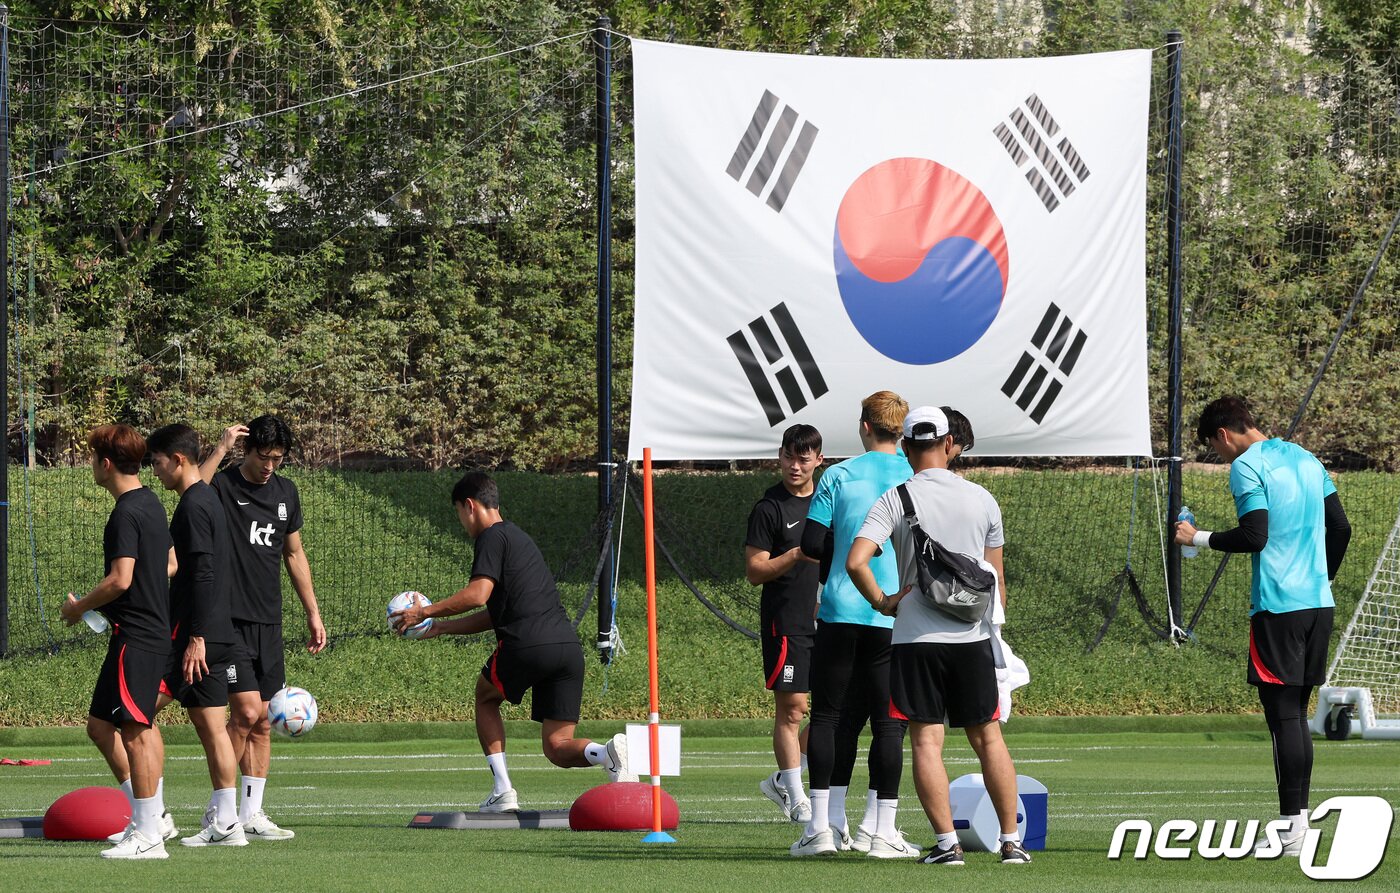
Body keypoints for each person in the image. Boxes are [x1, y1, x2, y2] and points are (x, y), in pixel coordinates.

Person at [848, 405, 1031, 866]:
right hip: (972, 636)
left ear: (906, 448)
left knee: (927, 742)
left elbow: (856, 561)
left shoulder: (895, 499)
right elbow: (996, 579)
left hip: (915, 637)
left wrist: (883, 601)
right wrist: (996, 636)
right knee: (989, 738)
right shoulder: (983, 499)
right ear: (950, 445)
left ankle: (948, 845)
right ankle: (1010, 842)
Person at [1174, 396, 1350, 856]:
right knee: (1297, 716)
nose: (1222, 456)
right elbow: (1341, 529)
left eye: (1216, 448)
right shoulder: (1307, 458)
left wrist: (1199, 538)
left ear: (1223, 435)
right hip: (1318, 605)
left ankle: (1292, 832)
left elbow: (1255, 535)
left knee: (1285, 718)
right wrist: (1319, 578)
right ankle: (1299, 824)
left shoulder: (1246, 465)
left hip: (1279, 607)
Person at [393, 471, 631, 811]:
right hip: (567, 650)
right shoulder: (519, 538)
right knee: (557, 746)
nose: (462, 522)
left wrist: (424, 611)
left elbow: (478, 595)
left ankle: (503, 791)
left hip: (528, 645)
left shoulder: (490, 538)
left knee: (485, 697)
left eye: (459, 513)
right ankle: (606, 753)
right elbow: (495, 612)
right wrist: (440, 628)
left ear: (469, 506)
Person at [793, 391, 917, 859]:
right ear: (900, 431)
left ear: (864, 426)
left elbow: (810, 543)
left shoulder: (838, 475)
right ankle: (880, 830)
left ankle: (821, 829)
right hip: (897, 616)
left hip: (841, 609)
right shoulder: (915, 476)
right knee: (890, 725)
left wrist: (843, 552)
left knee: (828, 716)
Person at [199, 415, 327, 839]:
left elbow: (294, 555)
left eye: (278, 458)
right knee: (246, 711)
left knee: (265, 720)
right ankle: (219, 811)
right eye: (263, 456)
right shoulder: (223, 485)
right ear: (247, 450)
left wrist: (312, 611)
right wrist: (219, 449)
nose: (270, 465)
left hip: (269, 621)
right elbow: (192, 496)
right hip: (229, 621)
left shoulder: (286, 493)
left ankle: (250, 814)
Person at [60, 424, 175, 859]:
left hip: (139, 636)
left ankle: (148, 834)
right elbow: (169, 564)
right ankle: (151, 821)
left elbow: (120, 578)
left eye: (92, 458)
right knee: (101, 725)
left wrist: (78, 608)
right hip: (137, 632)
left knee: (135, 732)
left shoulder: (127, 511)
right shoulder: (151, 502)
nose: (91, 465)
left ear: (106, 464)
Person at [147, 424, 248, 847]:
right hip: (217, 630)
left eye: (156, 463)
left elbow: (204, 573)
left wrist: (196, 637)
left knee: (130, 713)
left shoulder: (193, 506)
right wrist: (222, 448)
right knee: (213, 728)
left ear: (178, 460)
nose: (154, 472)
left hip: (197, 636)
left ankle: (152, 818)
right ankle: (227, 825)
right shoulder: (203, 497)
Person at [745, 424, 823, 825]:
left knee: (833, 712)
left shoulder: (827, 503)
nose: (795, 465)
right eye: (789, 457)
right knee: (793, 710)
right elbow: (755, 570)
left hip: (828, 622)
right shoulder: (768, 508)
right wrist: (793, 555)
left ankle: (781, 779)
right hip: (786, 623)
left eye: (803, 458)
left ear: (818, 461)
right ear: (779, 456)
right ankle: (796, 795)